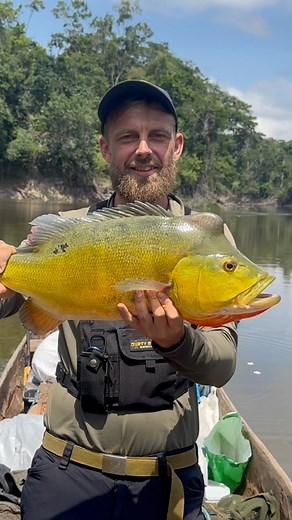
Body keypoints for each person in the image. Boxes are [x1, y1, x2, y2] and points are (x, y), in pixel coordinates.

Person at [0, 80, 238, 520]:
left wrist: (178, 342)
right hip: (66, 467)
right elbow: (12, 300)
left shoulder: (205, 237)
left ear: (178, 145)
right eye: (128, 136)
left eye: (158, 136)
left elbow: (221, 365)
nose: (143, 149)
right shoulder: (67, 232)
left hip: (168, 474)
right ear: (105, 148)